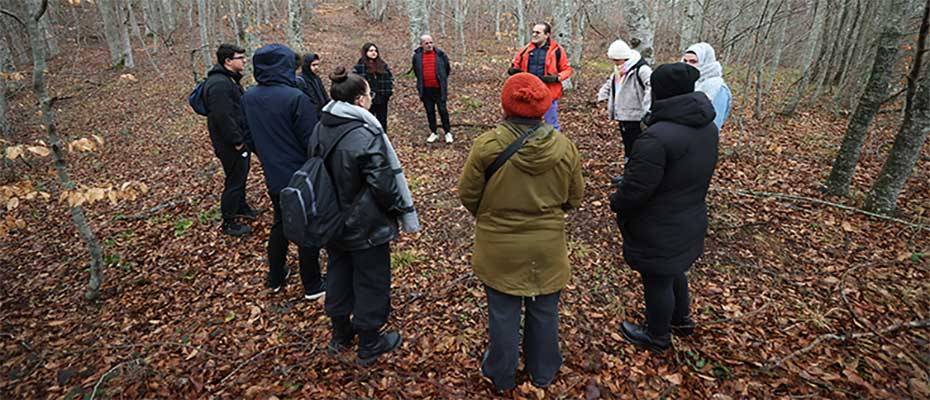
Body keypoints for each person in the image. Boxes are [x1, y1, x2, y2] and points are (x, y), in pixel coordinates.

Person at [458, 73, 584, 392]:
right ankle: (542, 372)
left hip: (498, 247)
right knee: (544, 310)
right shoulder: (564, 146)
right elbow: (574, 197)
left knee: (503, 313)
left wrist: (491, 216)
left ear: (505, 106)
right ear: (543, 107)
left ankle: (501, 375)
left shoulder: (487, 145)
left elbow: (468, 195)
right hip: (548, 245)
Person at [609, 63, 719, 353]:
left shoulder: (656, 138)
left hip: (660, 222)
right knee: (674, 269)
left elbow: (635, 190)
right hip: (690, 215)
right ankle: (681, 320)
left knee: (656, 277)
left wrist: (616, 202)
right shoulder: (706, 126)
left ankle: (657, 336)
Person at [317, 66, 419, 365]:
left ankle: (341, 334)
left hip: (333, 219)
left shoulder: (321, 125)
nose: (372, 98)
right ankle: (370, 341)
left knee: (338, 272)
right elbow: (383, 184)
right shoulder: (365, 133)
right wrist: (396, 211)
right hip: (365, 223)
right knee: (371, 280)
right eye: (370, 94)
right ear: (360, 100)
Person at [240, 44, 325, 299]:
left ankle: (275, 276)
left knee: (280, 223)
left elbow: (247, 136)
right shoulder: (295, 97)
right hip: (300, 173)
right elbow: (312, 140)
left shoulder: (248, 97)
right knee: (307, 226)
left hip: (273, 174)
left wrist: (269, 156)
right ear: (285, 66)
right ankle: (312, 285)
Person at [204, 43, 257, 236]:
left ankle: (241, 207)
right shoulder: (219, 84)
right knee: (234, 180)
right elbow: (223, 116)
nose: (244, 61)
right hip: (230, 143)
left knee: (240, 176)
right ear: (227, 61)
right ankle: (229, 222)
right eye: (240, 58)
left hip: (237, 139)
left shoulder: (229, 80)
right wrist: (237, 141)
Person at [507, 22, 573, 131]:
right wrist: (513, 70)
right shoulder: (525, 50)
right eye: (533, 32)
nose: (534, 35)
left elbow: (567, 69)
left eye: (538, 32)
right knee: (526, 122)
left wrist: (556, 78)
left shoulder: (557, 50)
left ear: (546, 35)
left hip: (548, 92)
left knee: (551, 124)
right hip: (528, 93)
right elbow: (515, 65)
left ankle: (554, 145)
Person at [597, 39, 652, 160]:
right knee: (628, 145)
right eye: (613, 61)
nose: (615, 63)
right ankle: (628, 170)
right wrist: (602, 96)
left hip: (636, 116)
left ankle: (634, 171)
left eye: (617, 60)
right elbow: (611, 82)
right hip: (622, 114)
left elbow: (651, 87)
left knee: (636, 146)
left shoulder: (642, 69)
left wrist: (646, 108)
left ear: (625, 57)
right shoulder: (619, 68)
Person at [412, 34, 453, 144]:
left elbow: (447, 69)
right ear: (421, 45)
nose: (429, 45)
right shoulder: (417, 56)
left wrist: (442, 79)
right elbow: (417, 72)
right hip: (426, 90)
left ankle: (447, 132)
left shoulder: (440, 54)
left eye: (431, 42)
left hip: (439, 89)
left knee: (443, 110)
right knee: (430, 111)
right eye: (427, 43)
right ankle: (433, 132)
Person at [682, 42, 730, 129]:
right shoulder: (686, 82)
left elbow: (714, 124)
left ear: (705, 62)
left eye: (693, 61)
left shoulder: (718, 88)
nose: (687, 65)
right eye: (685, 61)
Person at [353, 43, 394, 132]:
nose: (374, 53)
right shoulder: (360, 67)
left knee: (382, 119)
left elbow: (389, 79)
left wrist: (388, 93)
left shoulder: (382, 65)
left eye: (375, 51)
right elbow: (356, 82)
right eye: (371, 51)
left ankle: (382, 136)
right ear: (366, 52)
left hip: (382, 97)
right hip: (367, 98)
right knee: (369, 120)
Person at [296, 52, 330, 118]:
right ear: (307, 65)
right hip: (310, 117)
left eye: (317, 65)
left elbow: (324, 96)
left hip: (321, 115)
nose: (316, 67)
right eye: (313, 65)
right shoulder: (300, 80)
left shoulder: (316, 78)